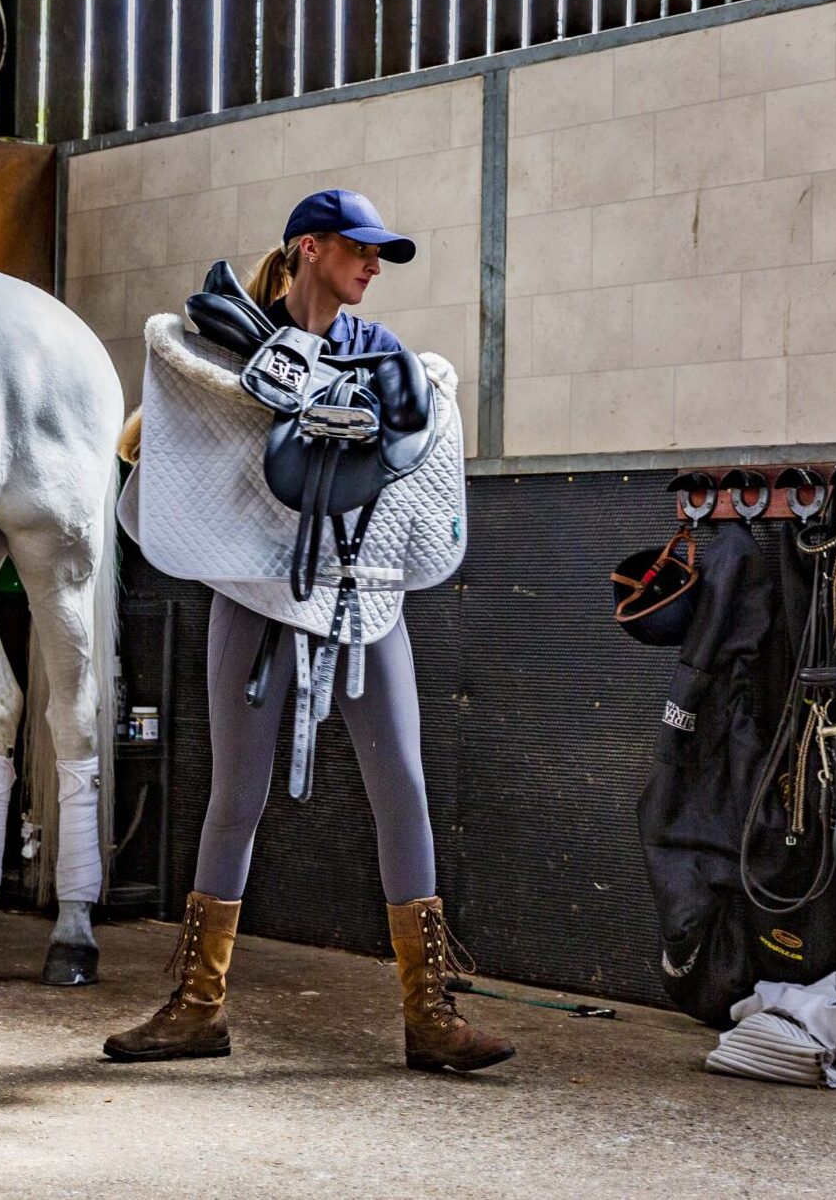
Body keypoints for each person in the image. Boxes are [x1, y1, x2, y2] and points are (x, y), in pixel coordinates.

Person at [104, 189, 514, 1073]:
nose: (373, 264)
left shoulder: (385, 356)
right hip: (254, 587)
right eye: (359, 249)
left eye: (379, 254)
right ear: (309, 248)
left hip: (359, 587)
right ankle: (197, 1003)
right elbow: (164, 438)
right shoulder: (228, 340)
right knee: (235, 796)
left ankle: (428, 1011)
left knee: (402, 781)